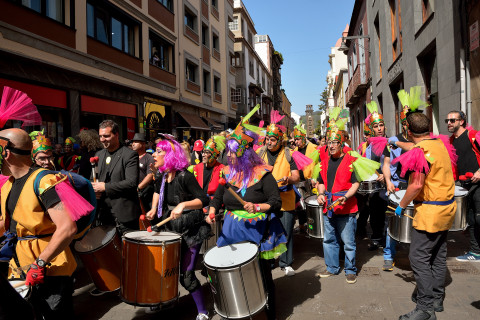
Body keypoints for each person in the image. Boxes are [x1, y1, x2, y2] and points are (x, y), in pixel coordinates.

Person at [206, 110, 286, 320]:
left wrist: (258, 207)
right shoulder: (228, 173)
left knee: (261, 274)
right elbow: (218, 196)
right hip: (231, 229)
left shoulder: (263, 174)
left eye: (232, 153)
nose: (228, 156)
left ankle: (268, 312)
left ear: (243, 153)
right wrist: (213, 209)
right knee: (230, 270)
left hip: (257, 230)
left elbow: (276, 203)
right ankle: (238, 308)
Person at [0, 128, 85, 319]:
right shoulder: (9, 184)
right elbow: (7, 224)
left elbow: (67, 227)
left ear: (6, 152)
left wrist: (40, 262)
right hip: (19, 265)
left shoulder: (45, 181)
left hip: (50, 268)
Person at [393, 112, 456, 320]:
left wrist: (401, 205)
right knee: (437, 255)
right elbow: (416, 148)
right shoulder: (439, 144)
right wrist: (394, 143)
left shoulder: (421, 151)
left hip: (429, 213)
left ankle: (425, 308)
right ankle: (437, 299)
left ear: (408, 131)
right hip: (446, 209)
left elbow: (416, 184)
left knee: (418, 258)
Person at [145, 138, 210, 319]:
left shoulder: (185, 176)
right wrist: (152, 208)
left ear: (170, 156)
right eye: (155, 151)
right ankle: (168, 299)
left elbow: (204, 200)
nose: (154, 154)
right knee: (167, 270)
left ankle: (203, 311)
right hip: (171, 228)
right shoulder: (163, 175)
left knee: (187, 276)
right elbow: (158, 191)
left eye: (159, 151)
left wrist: (183, 205)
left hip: (191, 230)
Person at [90, 120, 140, 295]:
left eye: (107, 136)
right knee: (110, 252)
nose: (103, 139)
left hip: (124, 212)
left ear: (116, 135)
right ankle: (114, 283)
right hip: (104, 212)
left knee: (129, 252)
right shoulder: (99, 154)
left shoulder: (129, 155)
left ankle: (132, 286)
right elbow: (96, 181)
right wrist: (94, 189)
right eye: (101, 136)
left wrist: (106, 187)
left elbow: (132, 183)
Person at [316, 119, 360, 284]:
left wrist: (346, 197)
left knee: (348, 242)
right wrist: (321, 194)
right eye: (329, 142)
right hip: (329, 207)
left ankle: (350, 270)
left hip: (346, 208)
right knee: (329, 240)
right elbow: (320, 181)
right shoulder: (324, 162)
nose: (332, 145)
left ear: (342, 143)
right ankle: (332, 267)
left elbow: (356, 183)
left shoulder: (351, 160)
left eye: (335, 142)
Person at [257, 109, 300, 276]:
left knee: (286, 232)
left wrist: (289, 179)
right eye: (267, 138)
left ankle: (286, 262)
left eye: (272, 139)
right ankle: (269, 262)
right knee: (268, 233)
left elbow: (297, 176)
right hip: (266, 201)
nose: (269, 142)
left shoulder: (289, 154)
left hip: (285, 200)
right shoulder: (260, 153)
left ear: (280, 140)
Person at [382, 90, 417, 271]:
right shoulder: (393, 140)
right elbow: (386, 163)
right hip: (396, 187)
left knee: (416, 224)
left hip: (416, 189)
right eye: (405, 123)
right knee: (392, 222)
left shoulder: (422, 141)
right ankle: (388, 254)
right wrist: (388, 181)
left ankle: (416, 257)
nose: (408, 127)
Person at [447, 110, 480, 262]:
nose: (449, 123)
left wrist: (479, 171)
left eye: (452, 120)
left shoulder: (473, 135)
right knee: (472, 219)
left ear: (461, 121)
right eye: (447, 120)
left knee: (478, 218)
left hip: (479, 183)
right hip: (465, 185)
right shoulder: (451, 141)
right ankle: (475, 251)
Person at [360, 101, 389, 250]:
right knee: (375, 213)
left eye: (381, 125)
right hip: (376, 187)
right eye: (376, 126)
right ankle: (377, 238)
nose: (379, 129)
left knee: (387, 215)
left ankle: (388, 240)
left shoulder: (392, 143)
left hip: (390, 187)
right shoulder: (369, 147)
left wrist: (387, 176)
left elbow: (397, 163)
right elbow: (367, 165)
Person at [293, 121, 318, 233]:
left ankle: (313, 226)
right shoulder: (295, 151)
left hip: (310, 181)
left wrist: (315, 178)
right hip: (299, 182)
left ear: (303, 137)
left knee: (311, 204)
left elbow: (318, 164)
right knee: (300, 206)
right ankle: (302, 226)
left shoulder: (314, 148)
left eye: (298, 139)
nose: (296, 142)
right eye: (295, 139)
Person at [132, 133, 155, 212]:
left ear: (143, 144)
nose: (133, 144)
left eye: (136, 142)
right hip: (132, 192)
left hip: (146, 193)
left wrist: (138, 188)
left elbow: (150, 175)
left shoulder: (149, 158)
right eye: (133, 142)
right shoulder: (130, 157)